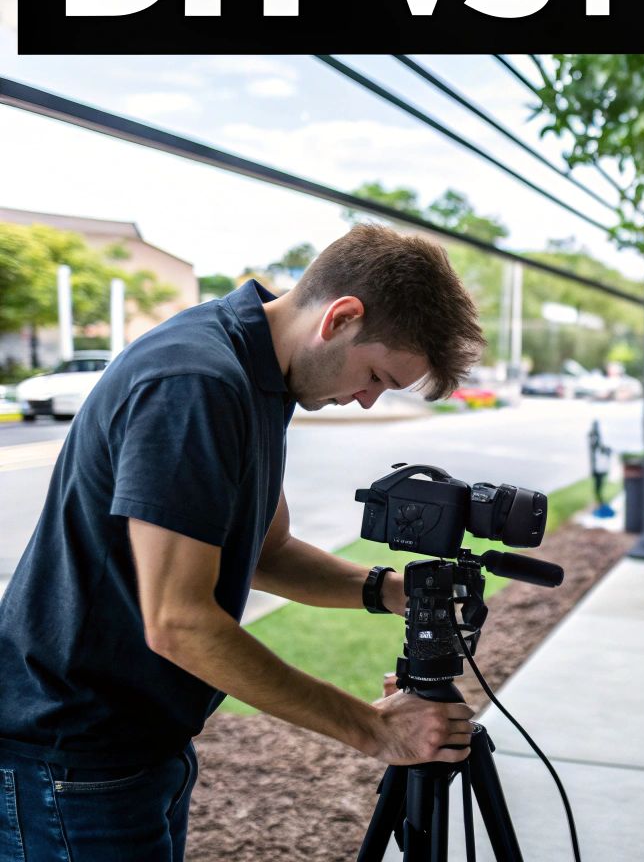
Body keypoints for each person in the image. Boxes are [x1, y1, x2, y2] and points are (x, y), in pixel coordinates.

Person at [0, 224, 487, 859]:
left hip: (136, 748)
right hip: (72, 759)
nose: (367, 402)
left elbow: (266, 552)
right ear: (340, 318)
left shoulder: (260, 375)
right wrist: (373, 730)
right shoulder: (196, 381)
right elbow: (179, 623)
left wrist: (391, 591)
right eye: (376, 376)